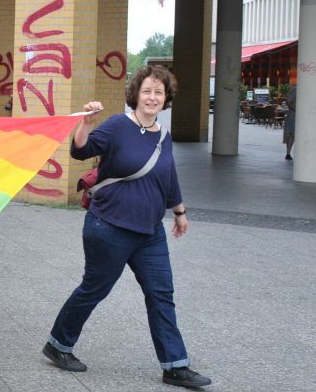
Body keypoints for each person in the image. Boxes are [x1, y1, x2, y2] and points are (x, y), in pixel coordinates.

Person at [42, 65, 211, 389]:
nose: (152, 97)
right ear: (135, 94)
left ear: (166, 98)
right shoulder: (119, 126)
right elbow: (81, 151)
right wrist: (86, 124)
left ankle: (175, 366)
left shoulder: (163, 134)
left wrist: (179, 211)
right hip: (109, 226)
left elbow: (168, 176)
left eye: (158, 92)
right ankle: (58, 344)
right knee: (95, 288)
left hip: (150, 231)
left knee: (162, 294)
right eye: (147, 91)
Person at [283, 85, 297, 160]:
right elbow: (287, 101)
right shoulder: (295, 89)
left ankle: (288, 153)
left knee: (293, 134)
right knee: (292, 133)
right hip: (294, 114)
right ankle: (288, 153)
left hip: (296, 114)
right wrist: (295, 109)